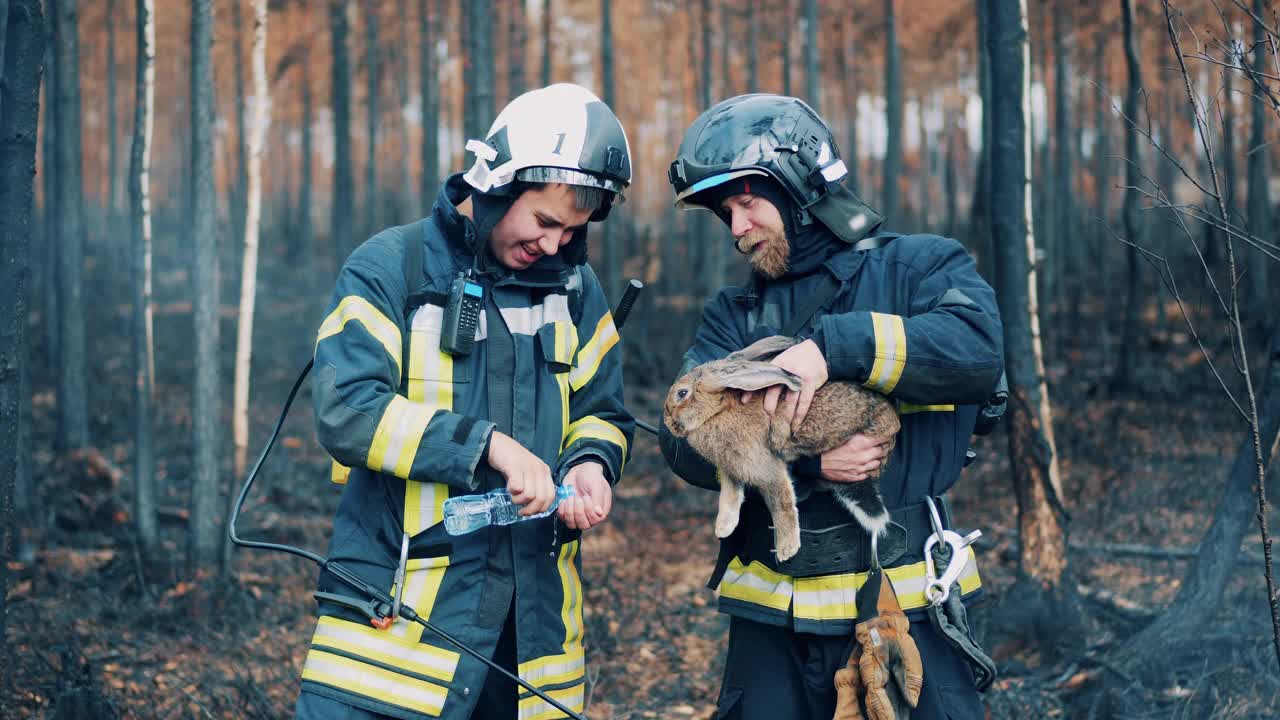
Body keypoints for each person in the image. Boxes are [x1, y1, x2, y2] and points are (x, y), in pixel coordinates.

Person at [296, 83, 635, 720]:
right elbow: (346, 409)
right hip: (390, 639)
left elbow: (604, 410)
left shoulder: (577, 289)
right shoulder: (391, 268)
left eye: (573, 231)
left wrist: (591, 462)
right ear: (497, 187)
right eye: (544, 221)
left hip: (529, 647)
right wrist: (487, 446)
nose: (555, 245)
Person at [660, 93, 1004, 720]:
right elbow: (681, 443)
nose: (736, 228)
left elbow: (978, 352)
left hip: (906, 609)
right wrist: (806, 466)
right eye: (724, 213)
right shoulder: (732, 318)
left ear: (800, 186)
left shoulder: (917, 266)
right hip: (771, 633)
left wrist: (836, 348)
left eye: (746, 203)